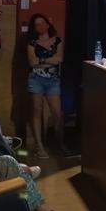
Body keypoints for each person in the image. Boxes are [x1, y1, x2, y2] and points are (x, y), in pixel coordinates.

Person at [25, 14, 64, 158]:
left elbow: (59, 59)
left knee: (56, 113)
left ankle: (58, 144)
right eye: (36, 24)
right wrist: (48, 61)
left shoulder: (57, 40)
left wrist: (41, 60)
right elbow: (32, 62)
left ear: (48, 25)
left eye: (42, 23)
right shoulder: (32, 43)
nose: (40, 26)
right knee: (36, 111)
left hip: (53, 80)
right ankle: (39, 146)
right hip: (36, 79)